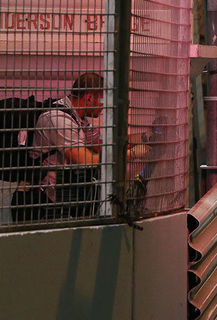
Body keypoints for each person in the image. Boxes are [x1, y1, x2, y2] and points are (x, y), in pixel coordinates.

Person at [13, 72, 146, 220]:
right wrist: (131, 154)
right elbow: (85, 159)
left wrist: (146, 138)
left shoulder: (78, 119)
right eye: (103, 101)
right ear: (89, 98)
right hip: (40, 204)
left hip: (59, 200)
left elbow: (105, 144)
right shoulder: (59, 120)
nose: (105, 106)